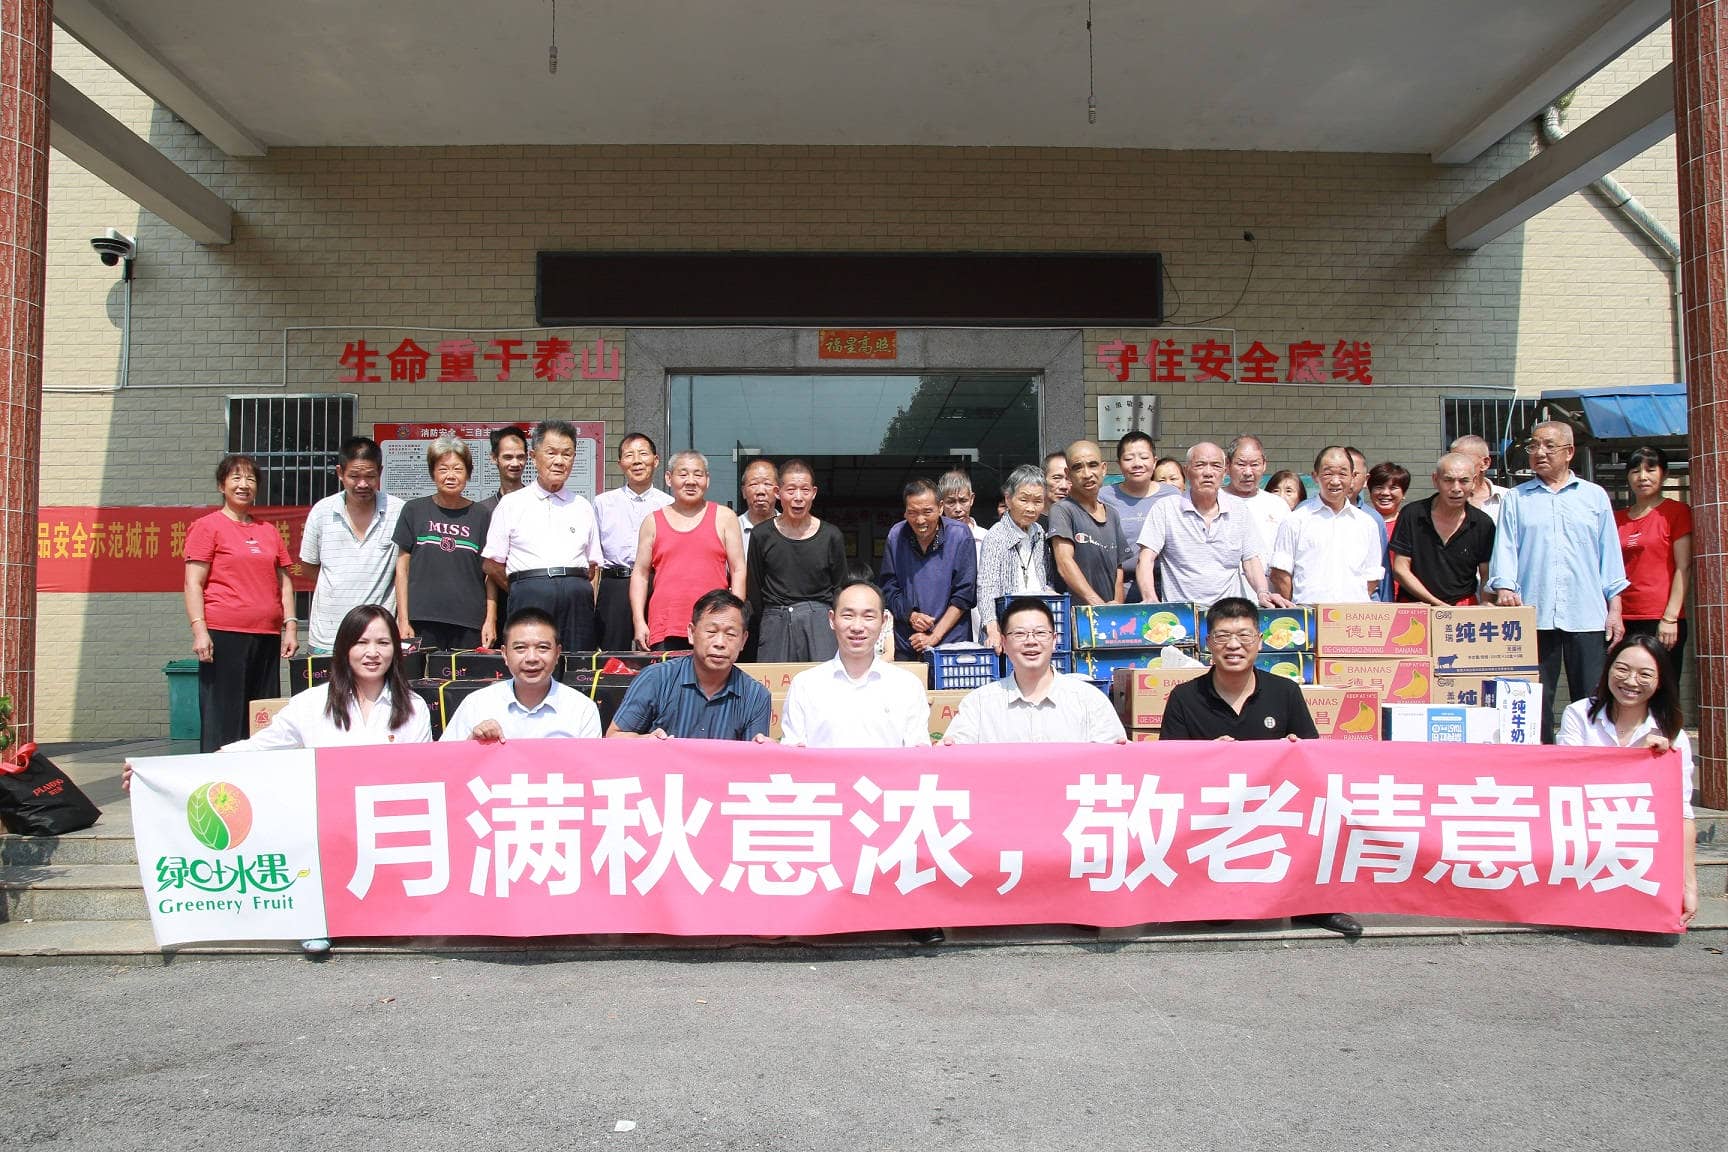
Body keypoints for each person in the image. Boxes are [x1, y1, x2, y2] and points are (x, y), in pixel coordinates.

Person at [1160, 598, 1359, 938]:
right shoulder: (1185, 697)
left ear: (1260, 641)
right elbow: (1169, 768)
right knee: (1217, 918)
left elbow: (1312, 756)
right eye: (1223, 636)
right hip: (1211, 814)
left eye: (1244, 636)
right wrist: (1207, 757)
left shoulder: (1285, 692)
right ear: (1208, 643)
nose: (1233, 645)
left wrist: (1294, 750)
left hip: (1274, 810)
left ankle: (1314, 905)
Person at [1487, 420, 1628, 744]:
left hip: (1587, 611)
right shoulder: (1517, 498)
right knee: (1535, 696)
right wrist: (1505, 587)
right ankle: (1541, 759)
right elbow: (1505, 547)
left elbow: (1609, 554)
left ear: (1569, 452)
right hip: (1533, 612)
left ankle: (1591, 757)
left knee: (1592, 693)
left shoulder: (1594, 497)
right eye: (1534, 446)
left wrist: (1615, 608)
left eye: (1549, 446)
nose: (1539, 452)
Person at [1557, 635, 1699, 927]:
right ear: (1608, 668)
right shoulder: (1579, 714)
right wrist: (1637, 758)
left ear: (1660, 681)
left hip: (1639, 847)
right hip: (1584, 837)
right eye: (1622, 669)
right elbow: (1569, 781)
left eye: (1645, 674)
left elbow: (1682, 814)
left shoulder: (1673, 735)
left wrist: (1689, 885)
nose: (1631, 681)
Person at [183, 453, 298, 753]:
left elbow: (285, 582)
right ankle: (218, 775)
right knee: (224, 716)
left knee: (261, 717)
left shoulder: (268, 531)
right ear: (221, 485)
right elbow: (193, 583)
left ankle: (257, 775)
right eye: (236, 478)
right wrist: (200, 631)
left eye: (250, 479)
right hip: (225, 633)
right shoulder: (207, 527)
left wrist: (290, 627)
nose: (243, 485)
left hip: (266, 636)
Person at [231, 604, 433, 750]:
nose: (372, 653)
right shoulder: (310, 703)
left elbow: (424, 771)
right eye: (361, 643)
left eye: (383, 643)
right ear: (344, 649)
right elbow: (257, 748)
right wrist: (217, 760)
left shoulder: (414, 707)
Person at [482, 419, 605, 655]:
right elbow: (491, 564)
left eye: (567, 454)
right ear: (534, 456)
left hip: (577, 602)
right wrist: (525, 588)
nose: (559, 461)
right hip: (529, 595)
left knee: (577, 665)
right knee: (531, 661)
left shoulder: (582, 506)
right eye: (551, 453)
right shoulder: (511, 504)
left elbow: (592, 568)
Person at [944, 597, 1127, 743]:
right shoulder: (979, 704)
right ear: (1004, 643)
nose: (1031, 641)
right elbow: (953, 757)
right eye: (1019, 634)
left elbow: (1113, 760)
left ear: (1054, 640)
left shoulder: (1089, 700)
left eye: (1040, 633)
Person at [607, 590, 773, 740]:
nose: (720, 643)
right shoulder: (656, 679)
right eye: (711, 632)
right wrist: (646, 741)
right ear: (691, 633)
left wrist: (764, 749)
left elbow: (753, 755)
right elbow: (614, 737)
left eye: (730, 634)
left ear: (743, 640)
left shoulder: (756, 696)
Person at [780, 580, 930, 747]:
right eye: (848, 616)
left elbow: (919, 754)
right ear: (832, 619)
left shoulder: (907, 686)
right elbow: (791, 752)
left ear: (884, 621)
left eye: (868, 616)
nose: (857, 627)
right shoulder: (805, 685)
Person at [1135, 442, 1285, 609]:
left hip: (1228, 614)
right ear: (1187, 471)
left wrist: (1262, 592)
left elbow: (1251, 560)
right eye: (1200, 465)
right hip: (1182, 614)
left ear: (1224, 472)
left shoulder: (1239, 509)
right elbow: (1145, 559)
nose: (1208, 473)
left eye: (1216, 466)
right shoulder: (1165, 508)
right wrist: (1150, 598)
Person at [631, 450, 746, 651]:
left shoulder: (725, 517)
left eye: (698, 474)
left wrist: (735, 618)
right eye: (683, 474)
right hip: (666, 623)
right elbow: (640, 574)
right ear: (669, 478)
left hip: (714, 624)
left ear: (707, 480)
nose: (691, 481)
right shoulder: (652, 521)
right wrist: (639, 621)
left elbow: (738, 570)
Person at [299, 436, 403, 654]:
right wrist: (340, 585)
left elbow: (405, 570)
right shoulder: (322, 511)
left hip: (378, 639)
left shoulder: (398, 511)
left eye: (370, 476)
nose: (362, 484)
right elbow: (308, 566)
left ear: (380, 472)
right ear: (340, 473)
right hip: (327, 638)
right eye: (354, 476)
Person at [391, 437, 496, 650]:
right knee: (419, 671)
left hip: (469, 622)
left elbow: (490, 573)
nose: (450, 476)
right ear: (433, 473)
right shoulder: (414, 510)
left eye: (457, 469)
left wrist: (490, 619)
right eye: (443, 469)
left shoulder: (482, 515)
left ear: (468, 473)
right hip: (421, 619)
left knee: (467, 672)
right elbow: (402, 568)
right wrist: (403, 619)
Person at [440, 607, 602, 741]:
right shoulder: (477, 704)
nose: (532, 658)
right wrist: (471, 744)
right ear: (504, 654)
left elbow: (590, 766)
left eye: (543, 648)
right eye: (520, 648)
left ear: (558, 653)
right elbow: (445, 762)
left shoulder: (582, 709)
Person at [744, 458, 848, 662]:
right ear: (778, 492)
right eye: (791, 490)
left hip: (820, 622)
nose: (798, 497)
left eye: (805, 490)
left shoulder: (831, 535)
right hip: (776, 622)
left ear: (814, 493)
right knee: (774, 681)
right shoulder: (761, 534)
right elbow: (754, 588)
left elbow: (840, 588)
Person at [1270, 446, 1384, 604]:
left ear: (1352, 477)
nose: (1335, 481)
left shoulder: (1367, 523)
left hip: (1353, 614)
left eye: (1343, 474)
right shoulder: (1295, 520)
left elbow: (1372, 576)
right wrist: (1298, 609)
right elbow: (1280, 573)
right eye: (1328, 473)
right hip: (1309, 613)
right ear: (1315, 476)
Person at [879, 478, 978, 658]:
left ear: (940, 508)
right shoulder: (896, 535)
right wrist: (911, 616)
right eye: (912, 513)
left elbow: (965, 594)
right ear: (905, 512)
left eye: (927, 512)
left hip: (951, 643)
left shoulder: (960, 535)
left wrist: (934, 636)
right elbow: (889, 587)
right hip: (909, 641)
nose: (920, 520)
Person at [593, 433, 673, 651]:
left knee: (657, 650)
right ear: (620, 463)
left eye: (643, 454)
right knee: (612, 653)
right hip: (615, 585)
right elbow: (593, 559)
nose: (637, 461)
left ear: (656, 460)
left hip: (655, 585)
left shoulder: (669, 505)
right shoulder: (602, 503)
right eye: (629, 455)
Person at [1616, 446, 1692, 665]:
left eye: (1650, 470)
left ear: (1664, 474)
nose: (1642, 477)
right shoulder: (1616, 518)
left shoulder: (1676, 512)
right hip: (1621, 617)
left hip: (1660, 617)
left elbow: (1684, 567)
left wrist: (1670, 618)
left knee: (1662, 681)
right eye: (1635, 471)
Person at [1389, 453, 1495, 607]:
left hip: (1463, 608)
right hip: (1415, 607)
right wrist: (1437, 604)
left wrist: (1485, 605)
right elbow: (1400, 568)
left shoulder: (1483, 524)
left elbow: (1486, 575)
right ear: (1435, 480)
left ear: (1473, 482)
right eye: (1448, 480)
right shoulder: (1412, 515)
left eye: (1464, 481)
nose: (1456, 488)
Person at [977, 465, 1053, 652]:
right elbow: (986, 586)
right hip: (1007, 627)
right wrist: (992, 630)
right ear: (1008, 499)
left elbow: (1042, 577)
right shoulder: (996, 536)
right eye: (1024, 500)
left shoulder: (1039, 532)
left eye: (1037, 501)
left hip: (1035, 625)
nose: (1031, 508)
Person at [1047, 439, 1127, 605]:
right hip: (1078, 614)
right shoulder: (1063, 510)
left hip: (1110, 613)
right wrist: (1097, 605)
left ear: (1103, 468)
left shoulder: (1112, 514)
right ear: (1068, 474)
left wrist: (1116, 605)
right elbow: (1064, 562)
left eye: (1093, 465)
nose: (1087, 474)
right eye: (1078, 467)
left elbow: (1118, 569)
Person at [1101, 431, 1176, 601]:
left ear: (1154, 461)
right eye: (1129, 459)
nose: (1137, 464)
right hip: (1117, 587)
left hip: (1164, 587)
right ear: (1119, 464)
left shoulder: (1171, 495)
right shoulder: (1104, 497)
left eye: (1144, 457)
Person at [1224, 434, 1293, 558]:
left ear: (1264, 465)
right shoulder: (1215, 501)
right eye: (1241, 464)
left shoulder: (1278, 505)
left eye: (1255, 465)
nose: (1248, 472)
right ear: (1227, 465)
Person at [1450, 434, 1508, 523]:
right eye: (1452, 461)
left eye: (1463, 461)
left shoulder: (1508, 498)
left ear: (1485, 463)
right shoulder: (1444, 500)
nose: (1455, 466)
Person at [477, 426, 528, 513]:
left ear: (526, 457)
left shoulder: (540, 505)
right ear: (494, 458)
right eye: (508, 457)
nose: (515, 463)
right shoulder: (483, 511)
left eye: (520, 457)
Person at [737, 457, 780, 555]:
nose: (760, 491)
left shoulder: (789, 527)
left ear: (778, 491)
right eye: (754, 484)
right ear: (743, 492)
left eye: (767, 484)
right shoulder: (732, 528)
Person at [1366, 462, 1410, 540]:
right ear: (1370, 492)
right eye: (1379, 487)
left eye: (1393, 488)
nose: (1385, 493)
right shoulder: (1361, 521)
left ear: (1404, 493)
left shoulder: (1409, 524)